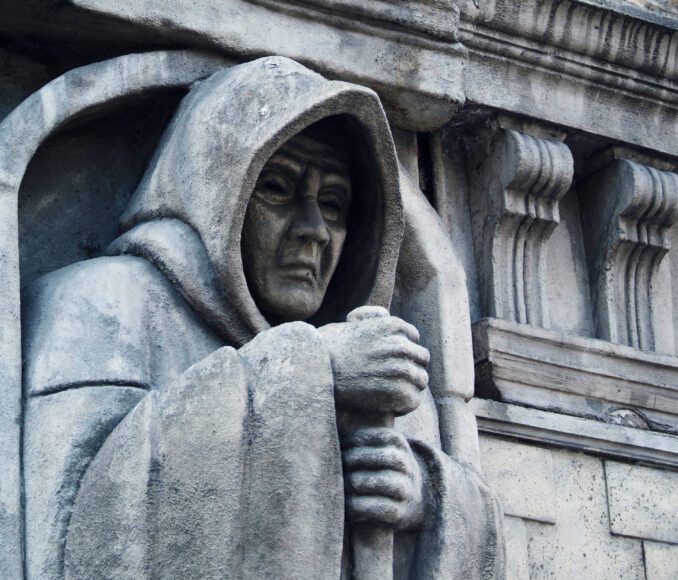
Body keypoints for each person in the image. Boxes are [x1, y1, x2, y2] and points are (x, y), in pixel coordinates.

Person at [22, 57, 505, 579]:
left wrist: (424, 498)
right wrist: (310, 370)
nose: (314, 230)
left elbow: (477, 539)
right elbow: (69, 524)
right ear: (215, 193)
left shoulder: (377, 359)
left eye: (335, 203)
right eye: (277, 187)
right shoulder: (108, 304)